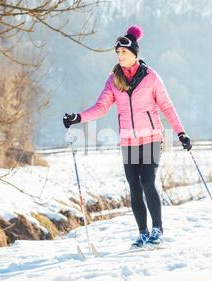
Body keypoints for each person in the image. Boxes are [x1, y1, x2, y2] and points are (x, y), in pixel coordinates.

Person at [63, 25, 192, 248]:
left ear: (134, 53)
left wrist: (181, 133)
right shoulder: (114, 79)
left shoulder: (151, 77)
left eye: (123, 52)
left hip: (152, 138)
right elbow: (101, 107)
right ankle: (142, 233)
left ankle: (157, 229)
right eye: (118, 53)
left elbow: (167, 107)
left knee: (148, 181)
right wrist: (78, 117)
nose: (119, 56)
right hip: (128, 141)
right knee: (134, 186)